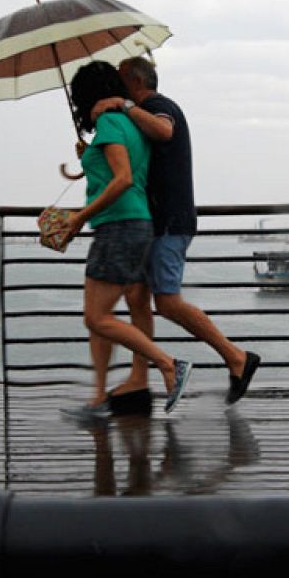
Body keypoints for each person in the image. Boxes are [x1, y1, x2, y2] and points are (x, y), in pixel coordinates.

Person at [92, 56, 261, 407]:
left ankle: (236, 357)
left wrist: (123, 106)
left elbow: (164, 130)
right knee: (137, 297)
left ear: (134, 82)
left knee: (167, 302)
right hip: (156, 223)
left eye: (121, 83)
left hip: (170, 221)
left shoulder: (158, 105)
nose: (116, 90)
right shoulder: (138, 115)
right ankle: (139, 381)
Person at [53, 60, 192, 419]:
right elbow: (121, 162)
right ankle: (99, 397)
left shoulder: (110, 121)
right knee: (104, 313)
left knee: (96, 318)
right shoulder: (125, 123)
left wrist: (78, 218)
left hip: (120, 225)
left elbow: (124, 178)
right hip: (129, 225)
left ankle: (168, 364)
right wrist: (89, 160)